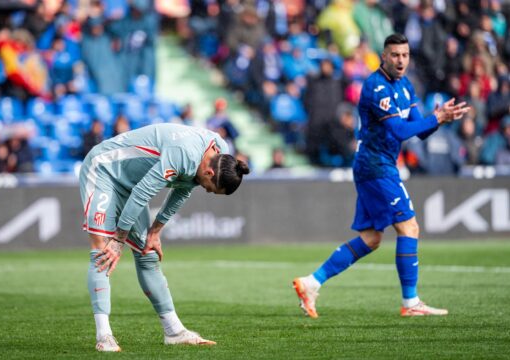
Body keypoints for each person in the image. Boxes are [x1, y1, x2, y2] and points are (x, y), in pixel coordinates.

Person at [293, 34, 470, 318]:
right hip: (375, 166)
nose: (401, 60)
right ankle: (411, 303)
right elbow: (398, 131)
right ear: (383, 57)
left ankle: (311, 283)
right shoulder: (376, 87)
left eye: (405, 55)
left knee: (372, 238)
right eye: (395, 55)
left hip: (377, 165)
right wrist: (435, 118)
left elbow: (420, 130)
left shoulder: (406, 86)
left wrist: (440, 118)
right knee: (409, 228)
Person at [79, 123, 249, 351]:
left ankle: (174, 331)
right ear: (209, 173)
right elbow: (143, 193)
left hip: (132, 185)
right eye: (210, 188)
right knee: (103, 250)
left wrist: (155, 231)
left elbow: (183, 189)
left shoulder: (219, 152)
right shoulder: (183, 153)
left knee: (147, 254)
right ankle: (104, 336)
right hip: (104, 170)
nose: (207, 190)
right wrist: (119, 239)